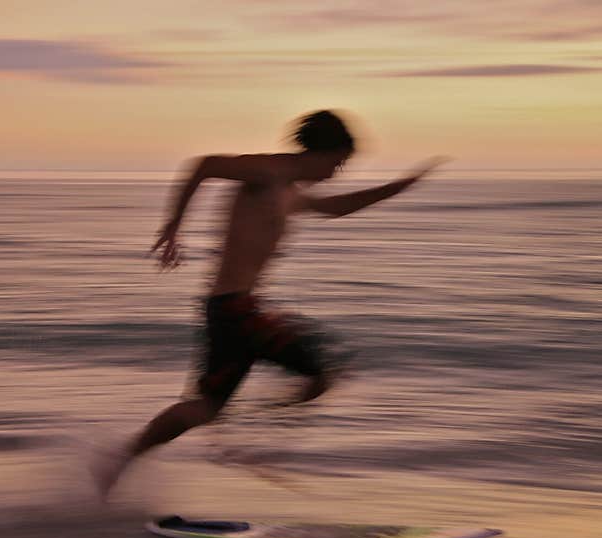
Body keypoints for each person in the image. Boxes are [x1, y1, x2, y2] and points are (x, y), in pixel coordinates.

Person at [91, 109, 448, 500]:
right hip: (236, 309)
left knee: (204, 408)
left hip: (234, 308)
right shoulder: (269, 173)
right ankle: (249, 435)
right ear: (319, 151)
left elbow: (339, 208)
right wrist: (173, 226)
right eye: (338, 162)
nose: (336, 172)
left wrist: (400, 186)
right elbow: (204, 165)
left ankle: (120, 460)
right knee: (322, 370)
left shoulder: (289, 191)